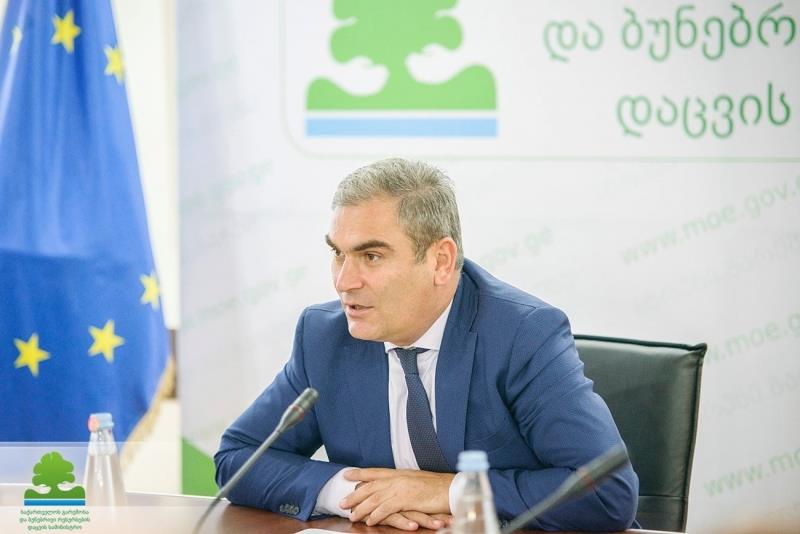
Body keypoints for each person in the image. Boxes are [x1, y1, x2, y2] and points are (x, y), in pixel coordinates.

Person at [215, 158, 639, 531]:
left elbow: (607, 491)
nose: (344, 281)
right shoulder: (325, 336)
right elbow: (238, 459)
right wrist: (354, 494)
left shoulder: (521, 335)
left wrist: (446, 491)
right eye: (338, 254)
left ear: (441, 260)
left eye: (371, 256)